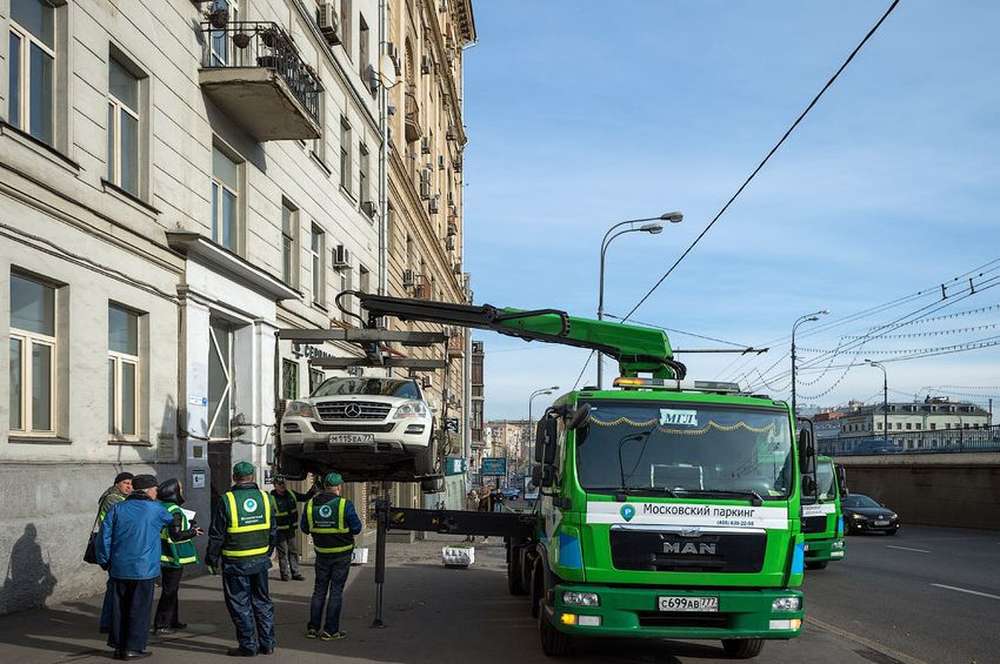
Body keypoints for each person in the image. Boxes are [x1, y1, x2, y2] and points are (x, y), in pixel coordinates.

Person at [96, 475, 199, 661]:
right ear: (148, 490)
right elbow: (172, 520)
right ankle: (133, 648)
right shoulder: (156, 509)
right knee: (139, 609)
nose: (157, 493)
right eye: (155, 489)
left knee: (120, 609)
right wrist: (189, 526)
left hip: (119, 567)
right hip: (144, 569)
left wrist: (105, 561)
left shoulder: (117, 508)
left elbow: (104, 537)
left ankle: (118, 647)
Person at [206, 462, 279, 657]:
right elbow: (273, 530)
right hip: (260, 561)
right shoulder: (265, 497)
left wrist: (212, 558)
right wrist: (267, 552)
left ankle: (248, 645)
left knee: (240, 604)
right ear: (253, 477)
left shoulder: (227, 500)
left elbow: (217, 534)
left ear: (234, 477)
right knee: (262, 602)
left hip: (235, 563)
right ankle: (268, 643)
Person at [300, 472, 362, 641]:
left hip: (321, 554)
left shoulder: (311, 504)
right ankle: (330, 630)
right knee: (335, 592)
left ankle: (313, 628)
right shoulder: (344, 505)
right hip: (342, 555)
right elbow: (357, 528)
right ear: (339, 487)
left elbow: (304, 528)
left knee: (319, 591)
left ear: (324, 486)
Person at [154, 478, 200, 635]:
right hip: (172, 556)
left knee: (172, 589)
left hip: (162, 554)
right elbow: (176, 535)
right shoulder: (175, 511)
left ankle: (173, 620)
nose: (182, 491)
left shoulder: (161, 506)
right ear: (173, 492)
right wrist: (194, 531)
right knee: (170, 590)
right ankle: (161, 624)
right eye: (179, 488)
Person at [96, 472, 133, 635]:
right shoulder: (113, 499)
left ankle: (108, 622)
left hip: (116, 546)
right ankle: (109, 623)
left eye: (131, 484)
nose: (129, 487)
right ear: (117, 483)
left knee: (114, 587)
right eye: (126, 483)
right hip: (113, 548)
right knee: (114, 588)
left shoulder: (121, 499)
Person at [270, 475, 314, 581]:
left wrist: (312, 490)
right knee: (283, 552)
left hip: (290, 529)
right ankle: (285, 574)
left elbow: (304, 497)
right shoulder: (271, 498)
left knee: (293, 550)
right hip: (279, 530)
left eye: (283, 484)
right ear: (275, 485)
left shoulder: (291, 493)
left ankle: (295, 573)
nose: (282, 486)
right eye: (280, 484)